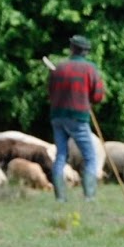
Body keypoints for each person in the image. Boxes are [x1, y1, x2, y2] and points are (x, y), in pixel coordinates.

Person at [47, 34, 106, 202]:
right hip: (78, 117)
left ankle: (60, 198)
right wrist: (91, 100)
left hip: (57, 116)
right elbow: (98, 95)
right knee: (90, 157)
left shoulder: (58, 68)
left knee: (60, 156)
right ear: (85, 52)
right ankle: (89, 197)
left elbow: (50, 92)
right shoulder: (90, 69)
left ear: (72, 49)